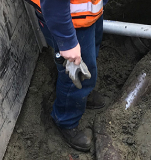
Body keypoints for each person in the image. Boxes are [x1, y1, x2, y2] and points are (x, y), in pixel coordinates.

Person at [25, 0, 108, 152]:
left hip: (86, 15)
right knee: (73, 75)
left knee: (89, 58)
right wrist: (67, 41)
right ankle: (65, 119)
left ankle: (82, 96)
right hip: (67, 21)